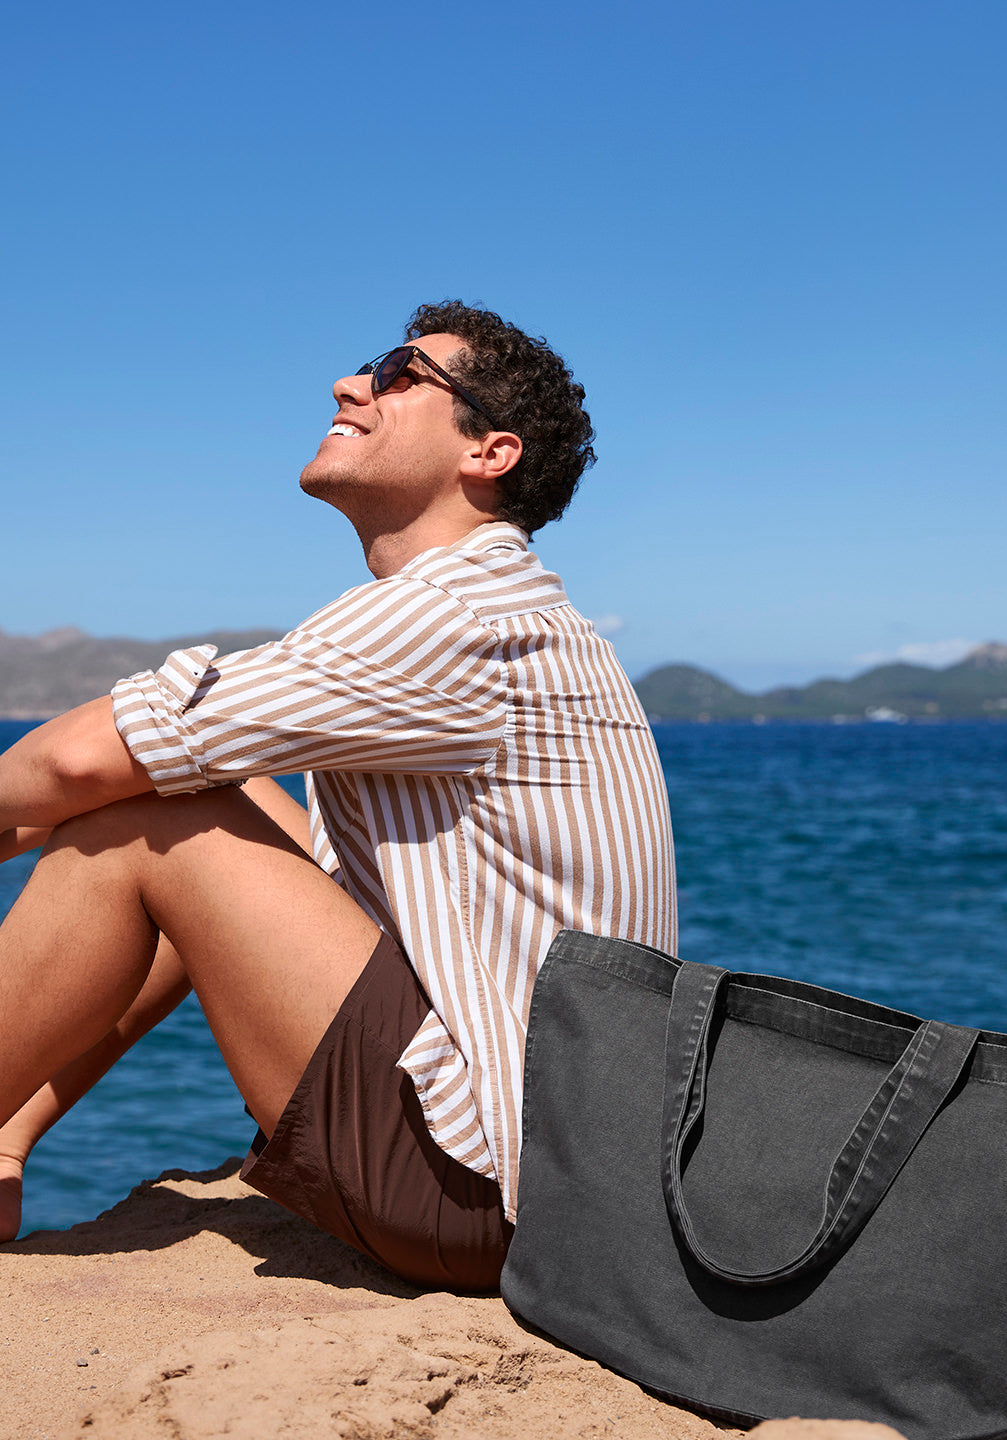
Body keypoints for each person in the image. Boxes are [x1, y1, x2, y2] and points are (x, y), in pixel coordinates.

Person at [0, 301, 678, 1288]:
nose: (348, 385)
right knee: (207, 785)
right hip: (562, 1180)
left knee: (161, 814)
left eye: (402, 374)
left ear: (489, 453)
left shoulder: (460, 613)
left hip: (482, 1191)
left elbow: (78, 760)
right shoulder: (498, 606)